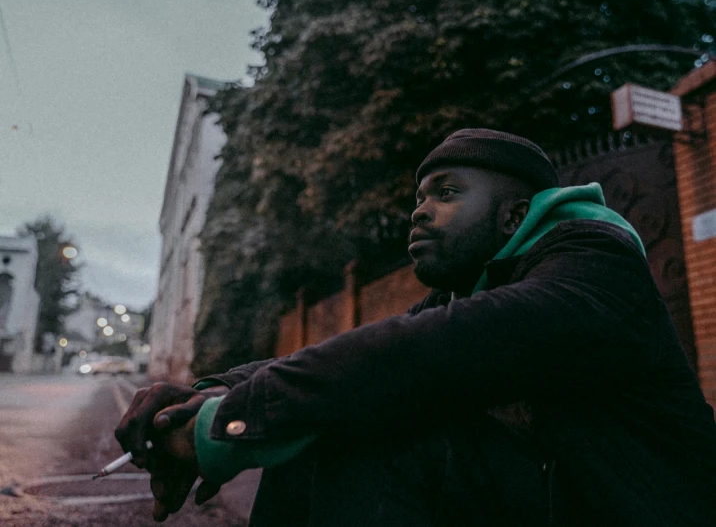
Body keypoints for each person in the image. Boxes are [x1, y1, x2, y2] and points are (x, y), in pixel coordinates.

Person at [116, 129, 716, 526]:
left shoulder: (595, 260)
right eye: (420, 197)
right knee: (335, 412)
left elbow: (429, 353)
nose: (420, 210)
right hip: (562, 500)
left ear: (513, 217)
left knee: (377, 426)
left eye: (447, 193)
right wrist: (215, 390)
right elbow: (355, 358)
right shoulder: (475, 285)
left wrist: (228, 425)